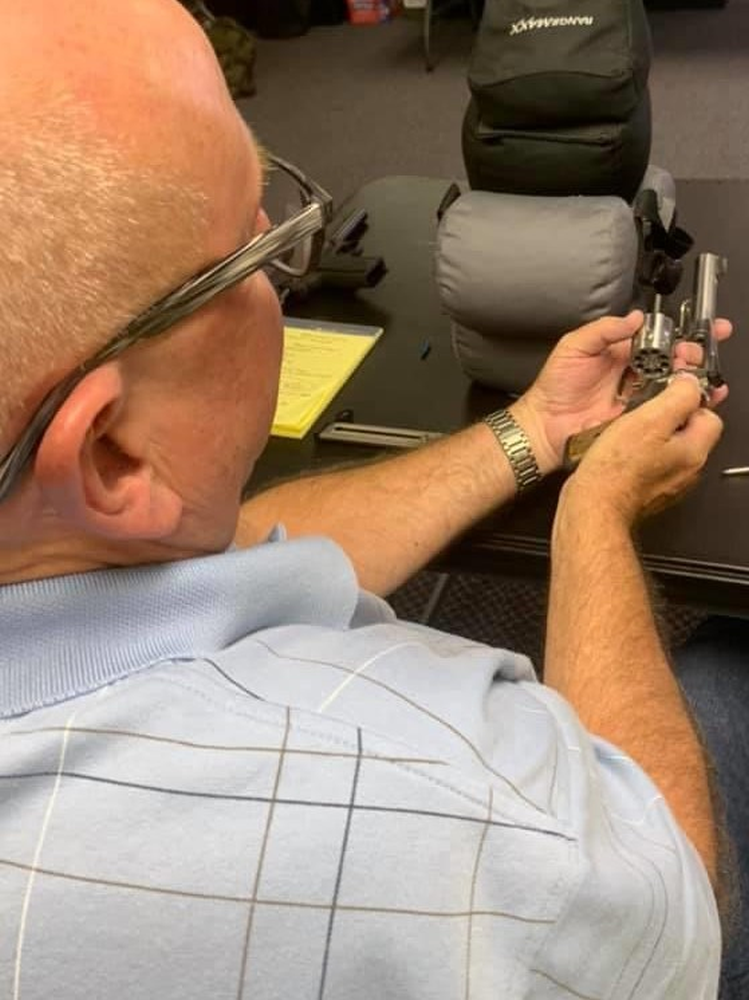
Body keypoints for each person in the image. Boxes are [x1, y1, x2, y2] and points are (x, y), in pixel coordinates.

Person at [0, 1, 741, 998]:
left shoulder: (61, 542)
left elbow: (249, 553)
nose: (283, 272)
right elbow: (666, 906)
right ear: (112, 453)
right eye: (255, 256)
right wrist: (596, 511)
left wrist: (533, 431)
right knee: (728, 664)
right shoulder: (420, 811)